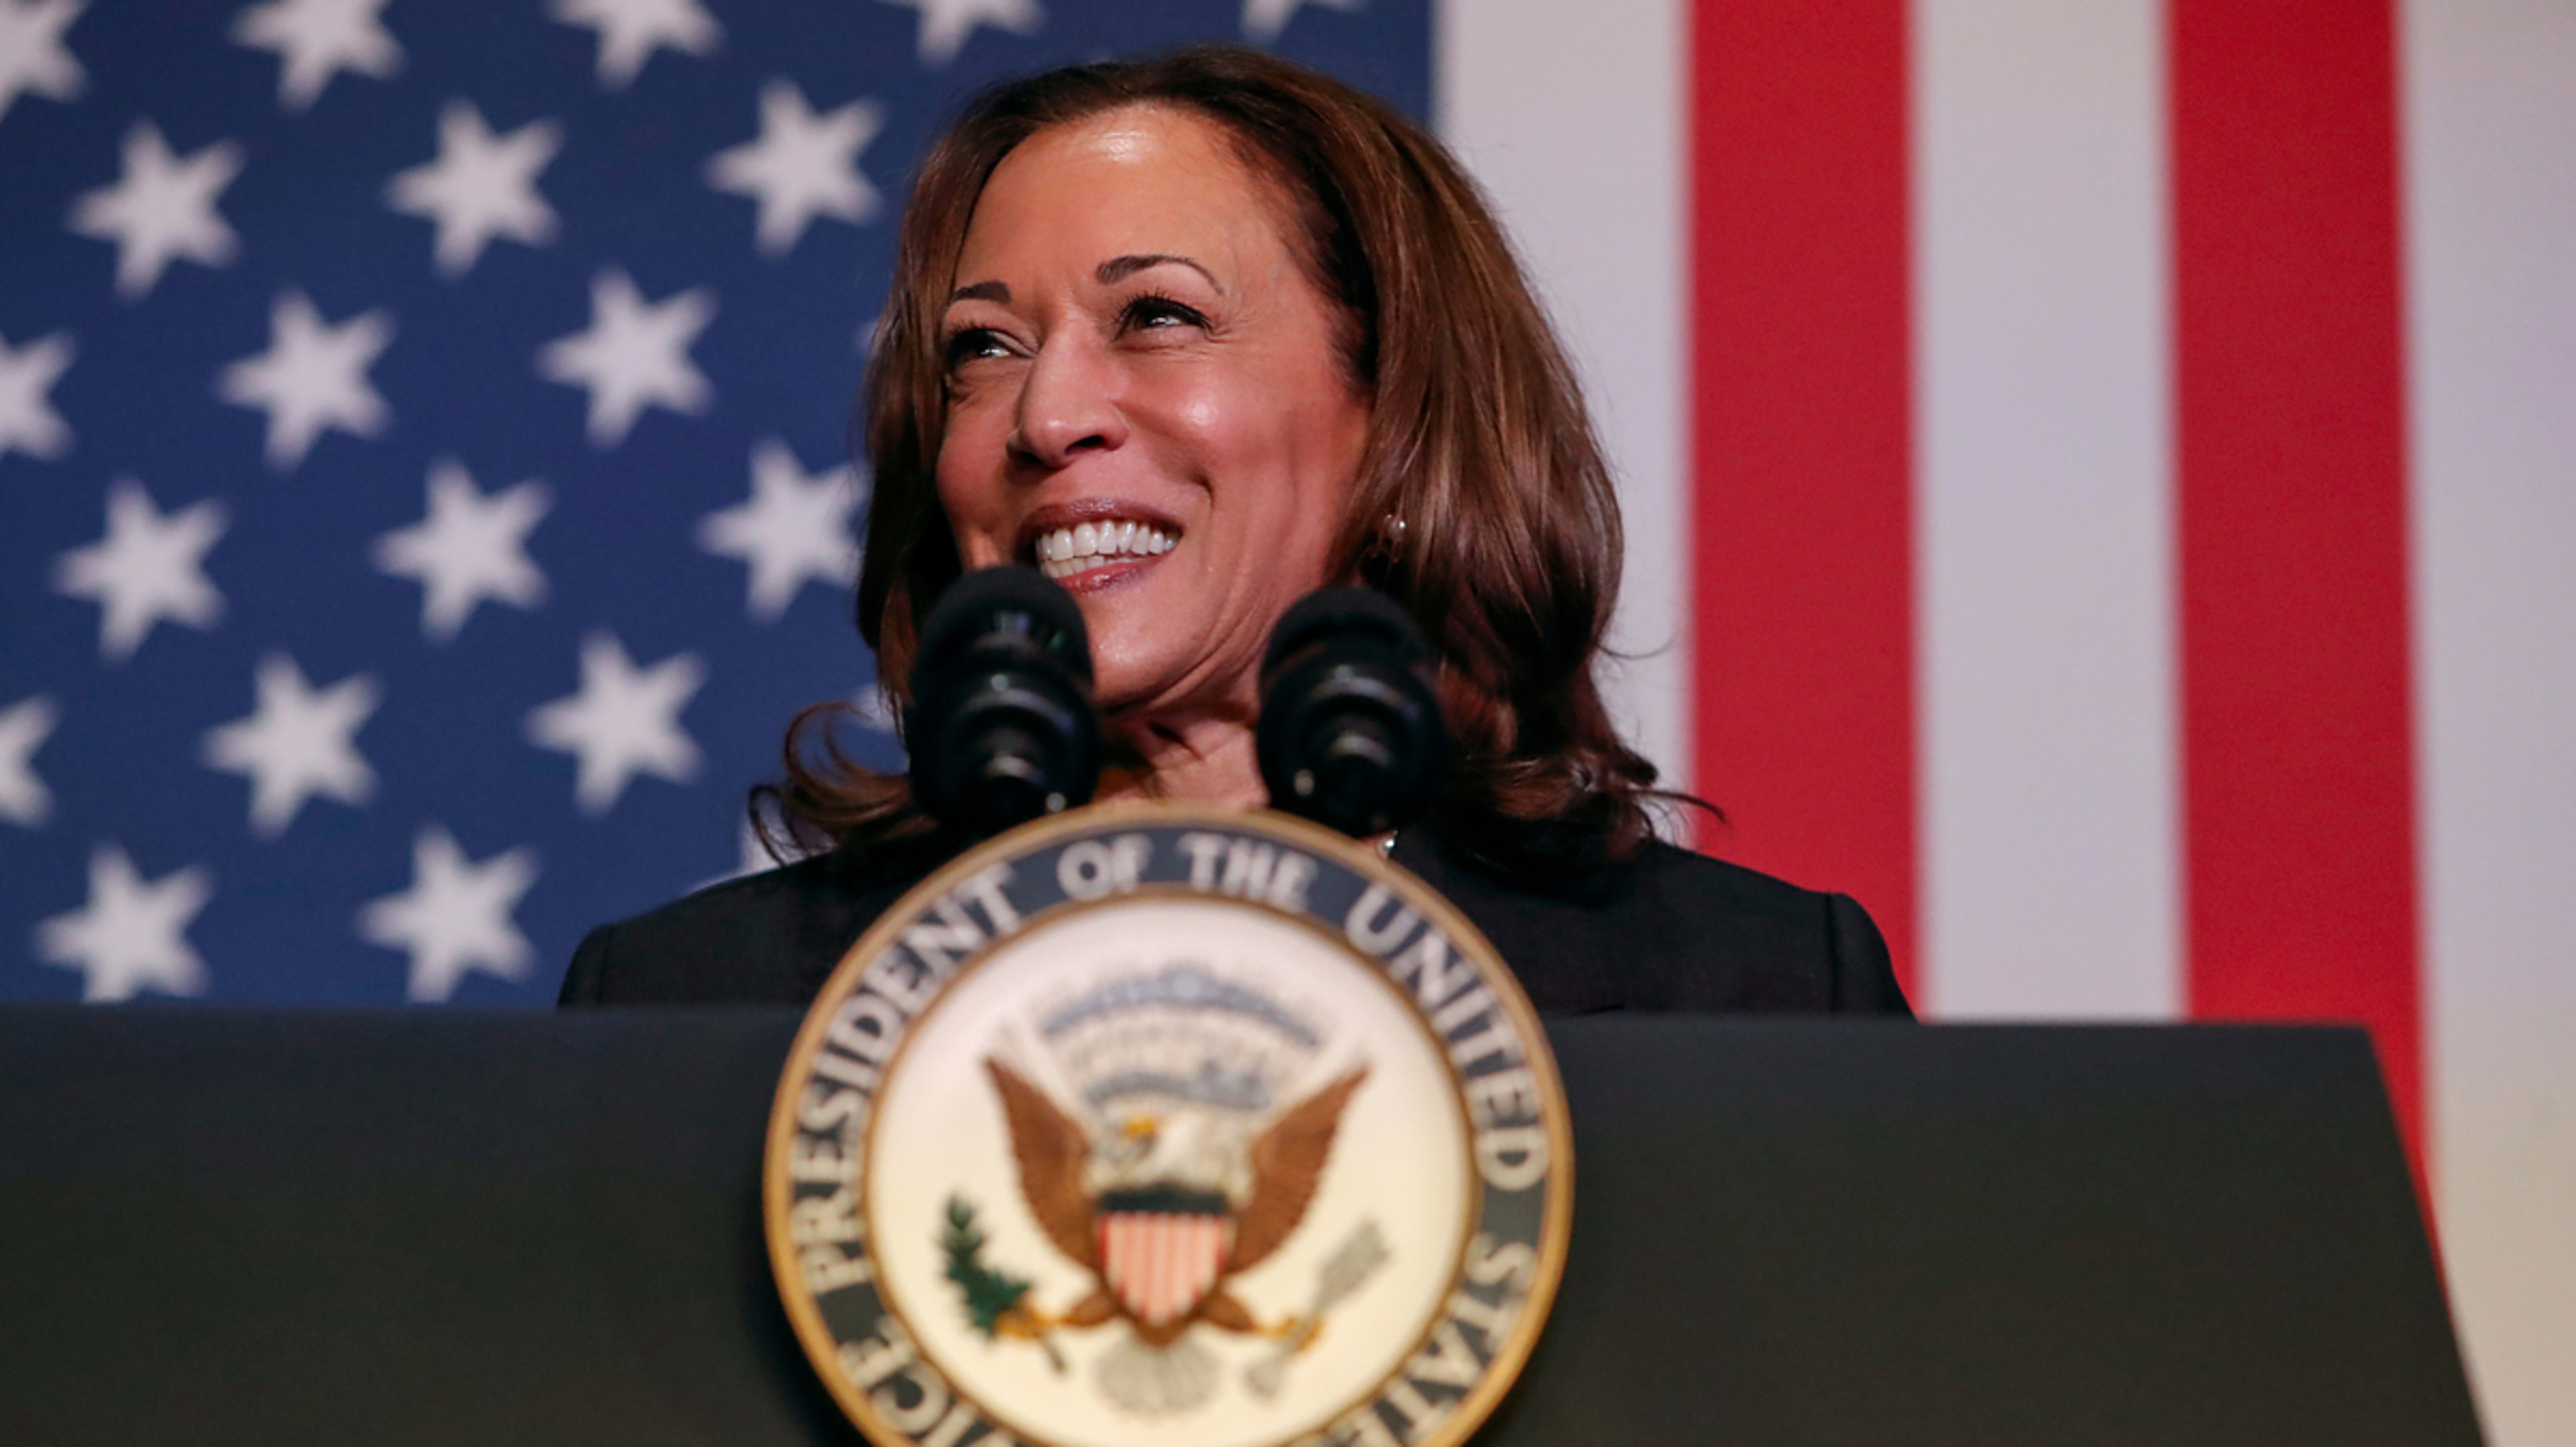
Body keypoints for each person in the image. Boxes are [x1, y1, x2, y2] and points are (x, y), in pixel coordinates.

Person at [559, 46, 1909, 1017]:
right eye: (982, 346)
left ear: (1393, 419)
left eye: (1156, 315)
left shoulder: (1751, 1001)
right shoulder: (698, 1013)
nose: (1047, 412)